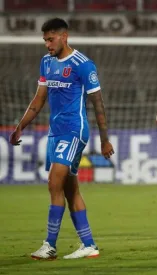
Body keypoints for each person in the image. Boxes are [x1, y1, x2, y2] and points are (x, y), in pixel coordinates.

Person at [9, 18, 114, 260]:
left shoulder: (83, 65)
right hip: (55, 133)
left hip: (74, 131)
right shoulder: (46, 63)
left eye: (51, 39)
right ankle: (89, 244)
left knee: (53, 182)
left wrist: (105, 139)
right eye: (45, 40)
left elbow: (98, 103)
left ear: (64, 37)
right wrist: (20, 127)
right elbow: (38, 100)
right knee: (69, 189)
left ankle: (50, 245)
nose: (47, 44)